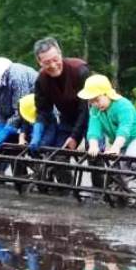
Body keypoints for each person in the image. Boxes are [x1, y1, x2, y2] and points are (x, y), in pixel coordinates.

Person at [33, 37, 89, 184]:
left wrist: (75, 137)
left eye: (55, 59)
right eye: (46, 62)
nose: (52, 65)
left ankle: (102, 194)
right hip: (67, 118)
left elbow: (86, 109)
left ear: (60, 54)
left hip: (92, 118)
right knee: (58, 157)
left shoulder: (80, 70)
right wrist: (37, 132)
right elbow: (43, 110)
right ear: (39, 62)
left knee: (95, 155)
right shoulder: (41, 80)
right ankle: (66, 189)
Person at [78, 74, 136, 160]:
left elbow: (124, 128)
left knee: (131, 161)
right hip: (121, 143)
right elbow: (93, 129)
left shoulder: (123, 105)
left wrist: (115, 147)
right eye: (91, 101)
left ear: (107, 94)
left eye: (97, 100)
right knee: (116, 166)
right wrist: (93, 146)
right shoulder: (95, 110)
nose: (95, 104)